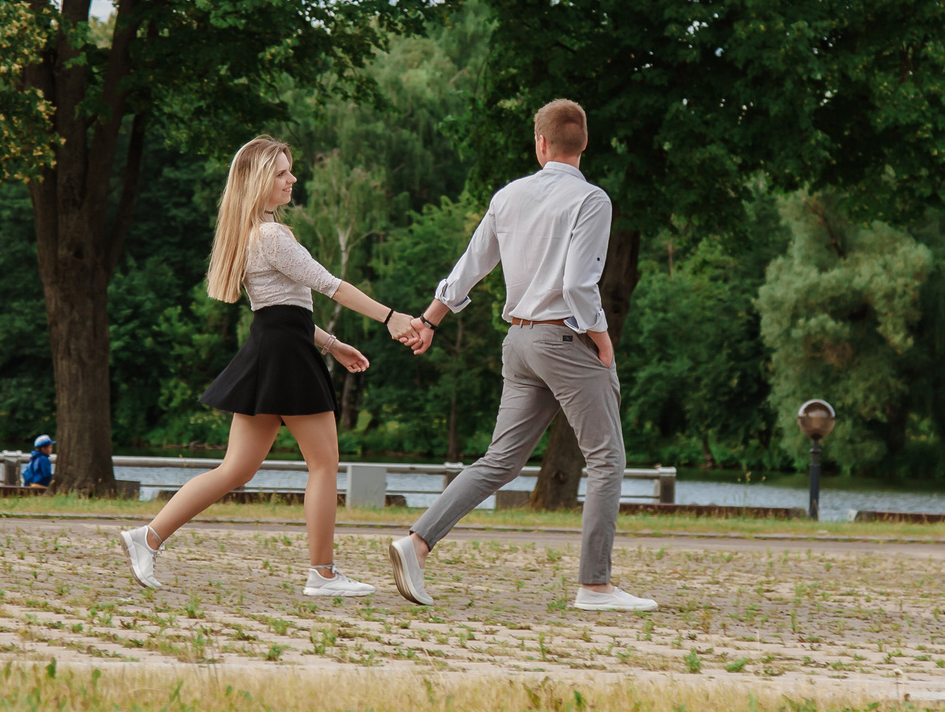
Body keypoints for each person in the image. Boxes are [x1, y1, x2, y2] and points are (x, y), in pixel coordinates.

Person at [117, 136, 427, 597]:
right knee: (323, 464)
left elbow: (284, 309)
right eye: (282, 173)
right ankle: (321, 575)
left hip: (276, 349)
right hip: (284, 356)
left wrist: (332, 343)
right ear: (259, 179)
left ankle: (148, 537)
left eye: (289, 171)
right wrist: (391, 316)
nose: (292, 179)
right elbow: (331, 286)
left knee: (236, 469)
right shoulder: (270, 236)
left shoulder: (255, 234)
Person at [383, 98, 657, 612]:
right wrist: (601, 338)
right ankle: (595, 586)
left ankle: (416, 544)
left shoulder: (508, 197)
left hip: (520, 343)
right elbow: (579, 283)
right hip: (563, 341)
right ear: (584, 143)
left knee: (500, 460)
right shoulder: (591, 200)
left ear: (541, 144)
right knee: (607, 458)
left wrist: (429, 321)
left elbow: (471, 266)